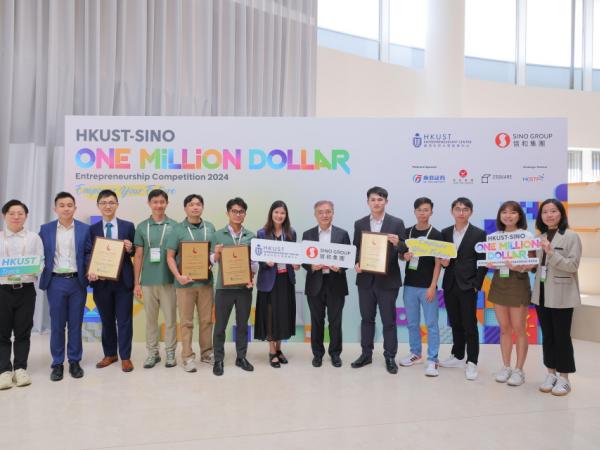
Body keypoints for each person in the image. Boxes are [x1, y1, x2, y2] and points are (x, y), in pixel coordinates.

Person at [352, 186, 407, 374]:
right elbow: (356, 249)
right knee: (366, 319)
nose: (377, 203)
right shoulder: (359, 224)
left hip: (388, 281)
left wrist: (397, 243)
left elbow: (404, 251)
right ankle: (366, 354)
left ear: (386, 202)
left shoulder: (397, 223)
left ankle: (390, 356)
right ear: (368, 202)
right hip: (366, 280)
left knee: (389, 321)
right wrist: (356, 263)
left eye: (380, 199)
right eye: (373, 199)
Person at [39, 192, 92, 381]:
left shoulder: (85, 229)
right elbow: (39, 254)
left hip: (77, 282)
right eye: (62, 205)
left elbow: (88, 253)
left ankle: (75, 361)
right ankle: (58, 363)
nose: (66, 208)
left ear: (75, 208)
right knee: (57, 325)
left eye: (70, 205)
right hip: (55, 282)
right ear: (55, 209)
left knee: (75, 324)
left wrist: (91, 269)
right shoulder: (45, 229)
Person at [531, 198, 581, 396]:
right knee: (548, 336)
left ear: (561, 214)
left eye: (553, 211)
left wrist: (552, 254)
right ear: (541, 216)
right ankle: (550, 373)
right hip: (541, 293)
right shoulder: (540, 236)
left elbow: (573, 266)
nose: (549, 215)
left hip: (562, 294)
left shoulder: (571, 236)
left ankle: (564, 378)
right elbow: (537, 265)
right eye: (545, 212)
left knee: (562, 337)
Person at [487, 201, 536, 387]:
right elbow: (490, 260)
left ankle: (519, 370)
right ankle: (506, 366)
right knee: (504, 328)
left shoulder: (526, 235)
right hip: (499, 283)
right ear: (500, 216)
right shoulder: (494, 237)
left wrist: (522, 266)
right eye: (504, 212)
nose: (508, 216)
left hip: (518, 283)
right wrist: (490, 263)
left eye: (513, 212)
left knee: (519, 329)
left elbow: (533, 263)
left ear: (519, 216)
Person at [166, 194, 216, 373]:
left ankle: (207, 352)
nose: (195, 207)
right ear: (185, 208)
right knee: (186, 322)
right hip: (184, 285)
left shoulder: (210, 228)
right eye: (191, 204)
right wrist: (178, 276)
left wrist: (216, 256)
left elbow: (213, 256)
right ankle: (187, 357)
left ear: (202, 207)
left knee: (206, 321)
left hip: (205, 283)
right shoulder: (177, 229)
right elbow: (170, 257)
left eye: (198, 204)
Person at [87, 190, 136, 373]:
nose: (108, 206)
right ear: (99, 205)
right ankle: (110, 354)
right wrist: (90, 272)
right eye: (104, 202)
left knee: (124, 321)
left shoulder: (128, 226)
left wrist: (130, 248)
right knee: (107, 320)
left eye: (111, 202)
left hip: (123, 281)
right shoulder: (91, 229)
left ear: (117, 205)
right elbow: (87, 254)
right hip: (101, 282)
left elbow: (136, 251)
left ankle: (125, 357)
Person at [439, 197, 487, 381]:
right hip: (450, 284)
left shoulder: (479, 233)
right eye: (457, 209)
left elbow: (482, 263)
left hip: (468, 286)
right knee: (455, 322)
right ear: (452, 211)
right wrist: (443, 264)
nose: (461, 212)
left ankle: (472, 361)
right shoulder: (444, 233)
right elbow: (444, 259)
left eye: (465, 209)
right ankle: (458, 355)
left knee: (470, 325)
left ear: (470, 212)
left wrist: (477, 285)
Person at [210, 197, 257, 376]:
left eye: (241, 212)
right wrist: (217, 254)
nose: (238, 214)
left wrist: (252, 276)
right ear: (228, 213)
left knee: (243, 325)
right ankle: (218, 360)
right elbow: (211, 261)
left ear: (245, 214)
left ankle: (241, 357)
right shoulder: (218, 235)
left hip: (245, 288)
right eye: (234, 211)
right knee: (220, 325)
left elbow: (254, 263)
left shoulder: (251, 236)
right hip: (224, 288)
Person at [0, 200, 44, 389]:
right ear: (4, 216)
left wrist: (30, 270)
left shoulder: (34, 238)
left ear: (26, 216)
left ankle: (20, 368)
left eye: (20, 213)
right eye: (12, 213)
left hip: (25, 290)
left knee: (23, 331)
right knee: (2, 333)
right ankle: (4, 371)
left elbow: (41, 261)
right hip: (2, 291)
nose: (16, 217)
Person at [302, 200, 351, 368]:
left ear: (333, 213)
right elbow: (303, 260)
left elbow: (348, 259)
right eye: (321, 212)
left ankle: (335, 354)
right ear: (315, 214)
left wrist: (340, 268)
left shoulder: (342, 234)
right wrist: (311, 266)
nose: (324, 215)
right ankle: (317, 354)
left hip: (335, 282)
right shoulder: (307, 234)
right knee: (317, 321)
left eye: (328, 211)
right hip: (315, 283)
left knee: (335, 321)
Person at [133, 189, 177, 369]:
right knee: (151, 320)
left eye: (162, 202)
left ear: (167, 203)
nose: (158, 205)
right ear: (149, 204)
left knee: (170, 319)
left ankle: (171, 353)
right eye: (155, 202)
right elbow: (138, 255)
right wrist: (137, 282)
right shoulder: (142, 227)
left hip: (169, 281)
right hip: (148, 282)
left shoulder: (175, 226)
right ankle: (152, 353)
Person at [399, 197, 443, 377]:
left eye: (426, 210)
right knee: (412, 323)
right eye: (419, 210)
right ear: (414, 212)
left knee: (431, 324)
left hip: (427, 287)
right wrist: (404, 257)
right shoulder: (407, 232)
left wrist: (433, 286)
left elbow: (438, 262)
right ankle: (416, 353)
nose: (422, 213)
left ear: (431, 212)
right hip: (409, 285)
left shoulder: (436, 234)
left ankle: (433, 359)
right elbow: (401, 255)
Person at [255, 200, 298, 368]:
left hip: (285, 280)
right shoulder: (262, 233)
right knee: (270, 315)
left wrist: (296, 264)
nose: (279, 215)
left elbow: (295, 256)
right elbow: (256, 257)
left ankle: (279, 349)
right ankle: (272, 351)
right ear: (271, 214)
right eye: (276, 212)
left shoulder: (291, 233)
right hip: (268, 281)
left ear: (286, 216)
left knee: (283, 315)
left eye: (282, 213)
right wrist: (266, 262)